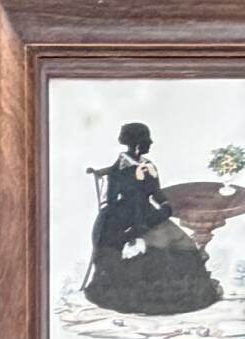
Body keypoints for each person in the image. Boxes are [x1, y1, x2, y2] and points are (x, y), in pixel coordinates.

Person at [83, 121, 225, 316]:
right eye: (146, 141)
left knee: (183, 245)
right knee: (155, 252)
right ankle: (153, 299)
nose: (151, 144)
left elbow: (155, 192)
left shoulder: (148, 165)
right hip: (121, 218)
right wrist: (134, 230)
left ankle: (187, 292)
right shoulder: (120, 169)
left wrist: (164, 204)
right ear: (137, 144)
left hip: (148, 213)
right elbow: (112, 201)